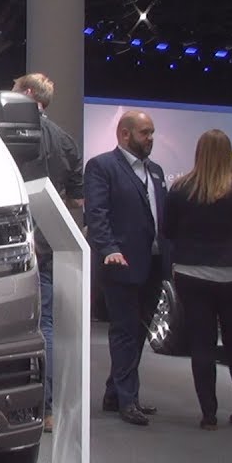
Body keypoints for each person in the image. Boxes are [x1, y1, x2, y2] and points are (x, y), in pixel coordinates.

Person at [161, 129, 232, 430]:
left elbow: (167, 230)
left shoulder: (181, 189)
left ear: (198, 153)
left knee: (202, 344)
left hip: (191, 273)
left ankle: (208, 415)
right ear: (228, 155)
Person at [84, 110, 166, 426]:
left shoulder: (156, 171)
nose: (150, 138)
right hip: (120, 263)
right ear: (125, 134)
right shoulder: (102, 167)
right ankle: (128, 399)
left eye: (152, 132)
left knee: (139, 330)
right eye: (145, 132)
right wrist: (109, 249)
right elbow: (97, 214)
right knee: (124, 331)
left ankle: (115, 394)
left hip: (153, 263)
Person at [13, 73, 84, 433]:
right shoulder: (66, 140)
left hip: (13, 243)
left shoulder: (7, 135)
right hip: (49, 242)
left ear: (27, 93)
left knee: (7, 326)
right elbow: (77, 199)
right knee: (47, 325)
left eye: (15, 91)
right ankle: (47, 409)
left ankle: (12, 405)